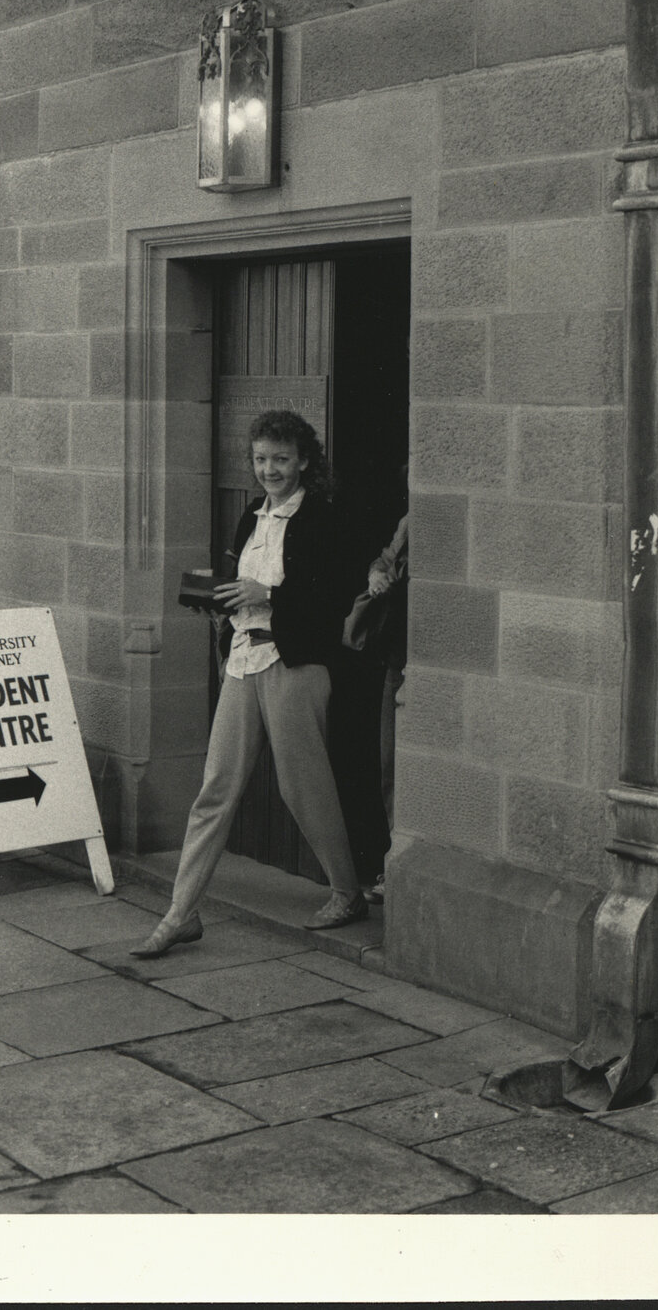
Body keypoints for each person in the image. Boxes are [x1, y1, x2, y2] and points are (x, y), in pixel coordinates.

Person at [132, 410, 366, 958]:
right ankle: (179, 914)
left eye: (281, 459)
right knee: (215, 790)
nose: (270, 470)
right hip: (243, 658)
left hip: (295, 663)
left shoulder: (325, 519)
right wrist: (220, 602)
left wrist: (269, 598)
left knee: (301, 788)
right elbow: (241, 585)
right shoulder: (249, 518)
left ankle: (347, 891)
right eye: (261, 460)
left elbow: (333, 602)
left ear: (304, 461)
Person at [360, 505, 408, 903]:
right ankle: (393, 865)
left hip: (424, 659)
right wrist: (378, 573)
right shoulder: (410, 520)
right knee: (390, 766)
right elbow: (385, 557)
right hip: (397, 658)